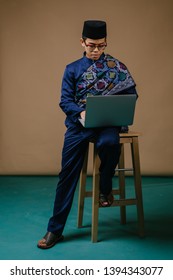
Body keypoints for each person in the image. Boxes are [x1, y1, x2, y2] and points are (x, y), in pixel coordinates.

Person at [37, 20, 137, 249]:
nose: (96, 50)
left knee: (110, 143)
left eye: (101, 46)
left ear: (105, 44)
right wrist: (81, 111)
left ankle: (104, 185)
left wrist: (114, 110)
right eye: (92, 45)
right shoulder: (72, 69)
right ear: (82, 42)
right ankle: (55, 230)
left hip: (107, 123)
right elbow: (65, 101)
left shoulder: (116, 67)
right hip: (79, 124)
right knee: (67, 175)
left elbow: (131, 95)